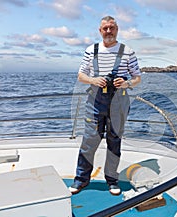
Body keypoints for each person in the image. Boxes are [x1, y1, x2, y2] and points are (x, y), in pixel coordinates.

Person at [69, 15, 141, 196]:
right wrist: (93, 79)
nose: (109, 31)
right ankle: (81, 179)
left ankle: (112, 180)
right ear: (100, 31)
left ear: (117, 29)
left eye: (112, 28)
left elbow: (137, 78)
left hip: (119, 103)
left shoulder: (128, 51)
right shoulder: (90, 50)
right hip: (95, 102)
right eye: (105, 28)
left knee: (114, 141)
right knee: (89, 141)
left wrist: (126, 84)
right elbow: (81, 76)